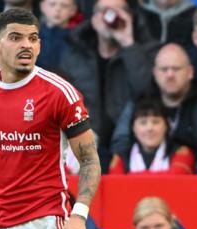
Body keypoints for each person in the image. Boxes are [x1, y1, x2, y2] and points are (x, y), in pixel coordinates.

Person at [0, 8, 101, 229]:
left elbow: (89, 159)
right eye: (16, 37)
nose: (26, 45)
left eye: (33, 38)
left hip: (47, 227)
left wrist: (79, 214)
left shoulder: (60, 93)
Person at [59, 0, 159, 170]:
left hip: (130, 147)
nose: (109, 17)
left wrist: (127, 41)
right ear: (93, 18)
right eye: (104, 11)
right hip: (86, 145)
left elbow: (146, 93)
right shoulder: (75, 52)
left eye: (118, 11)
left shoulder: (144, 50)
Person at [111, 43, 197, 158]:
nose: (170, 75)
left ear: (190, 72)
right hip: (143, 172)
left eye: (176, 69)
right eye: (164, 69)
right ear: (155, 73)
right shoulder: (140, 99)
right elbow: (120, 143)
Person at [109, 98, 195, 174]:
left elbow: (175, 179)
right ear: (133, 128)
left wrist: (130, 178)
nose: (149, 128)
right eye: (143, 122)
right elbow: (114, 183)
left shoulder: (182, 153)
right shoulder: (121, 158)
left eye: (156, 122)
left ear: (166, 126)